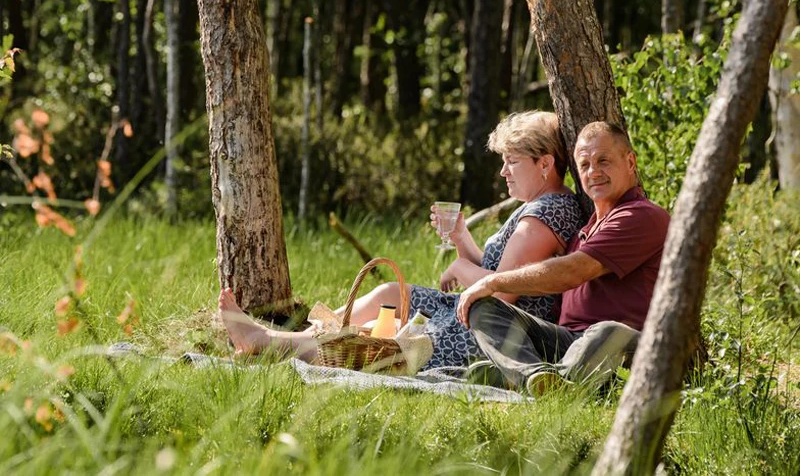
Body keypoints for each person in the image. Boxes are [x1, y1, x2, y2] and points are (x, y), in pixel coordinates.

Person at [219, 111, 584, 368]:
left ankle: (269, 343)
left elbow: (503, 292)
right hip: (473, 309)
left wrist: (459, 264)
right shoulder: (538, 207)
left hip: (492, 331)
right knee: (390, 296)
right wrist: (461, 238)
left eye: (512, 161)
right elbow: (494, 270)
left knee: (384, 338)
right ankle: (286, 339)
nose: (503, 171)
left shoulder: (544, 216)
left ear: (545, 164)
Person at [456, 121, 670, 394]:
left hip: (621, 343)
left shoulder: (642, 216)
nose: (594, 172)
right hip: (566, 341)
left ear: (630, 162)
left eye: (603, 161)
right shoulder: (586, 229)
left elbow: (574, 271)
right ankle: (537, 377)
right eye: (585, 165)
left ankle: (528, 380)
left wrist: (495, 282)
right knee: (484, 307)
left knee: (607, 332)